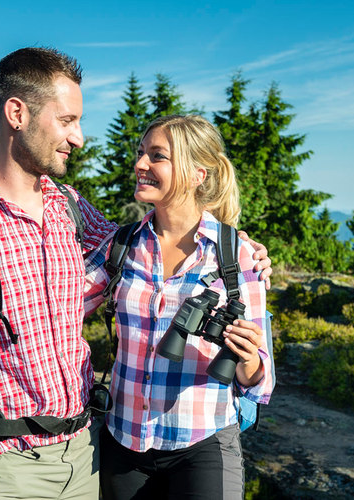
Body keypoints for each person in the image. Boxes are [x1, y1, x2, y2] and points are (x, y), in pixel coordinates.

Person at [0, 49, 272, 500]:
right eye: (67, 120)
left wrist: (237, 247)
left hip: (86, 457)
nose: (79, 138)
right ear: (16, 114)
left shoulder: (71, 209)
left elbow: (148, 243)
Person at [83, 115, 274, 499]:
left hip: (202, 442)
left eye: (157, 156)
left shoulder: (237, 256)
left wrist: (248, 356)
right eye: (141, 153)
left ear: (197, 174)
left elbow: (260, 381)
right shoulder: (121, 246)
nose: (140, 164)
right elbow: (58, 308)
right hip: (125, 440)